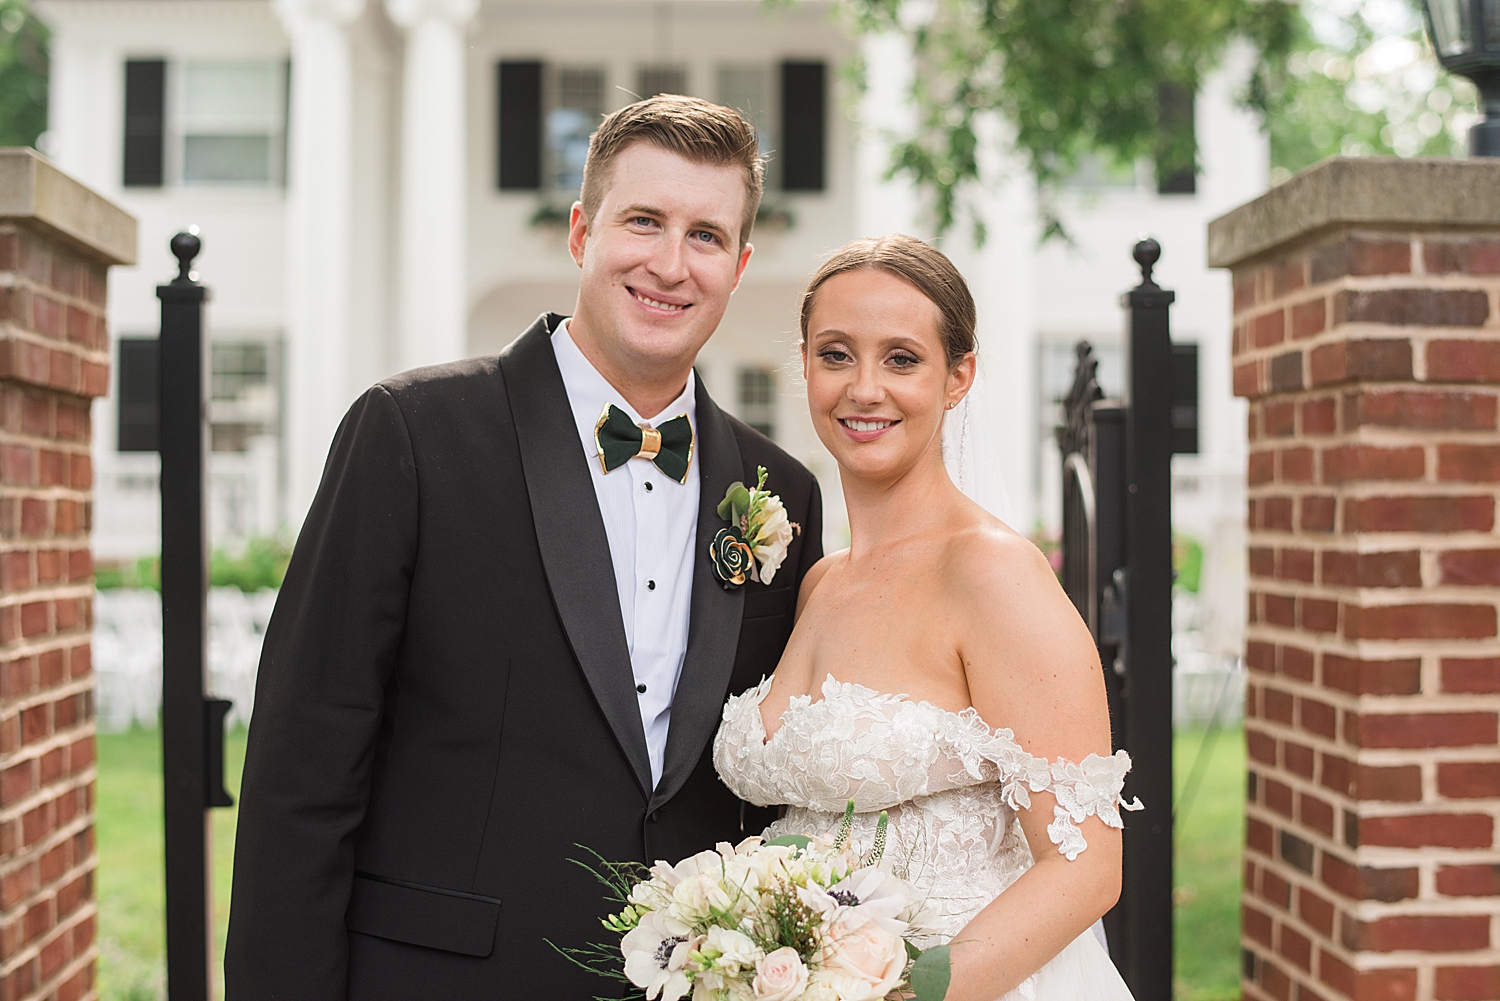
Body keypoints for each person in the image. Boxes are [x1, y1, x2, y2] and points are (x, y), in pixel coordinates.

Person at [225, 95, 823, 1000]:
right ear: (582, 231)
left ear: (739, 265)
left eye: (705, 235)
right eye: (644, 221)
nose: (670, 262)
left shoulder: (786, 492)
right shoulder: (410, 435)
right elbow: (301, 767)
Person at [714, 235, 1138, 1001]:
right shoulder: (819, 583)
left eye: (902, 358)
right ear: (804, 365)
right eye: (836, 354)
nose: (864, 388)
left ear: (958, 376)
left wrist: (909, 989)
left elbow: (1085, 867)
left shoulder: (993, 574)